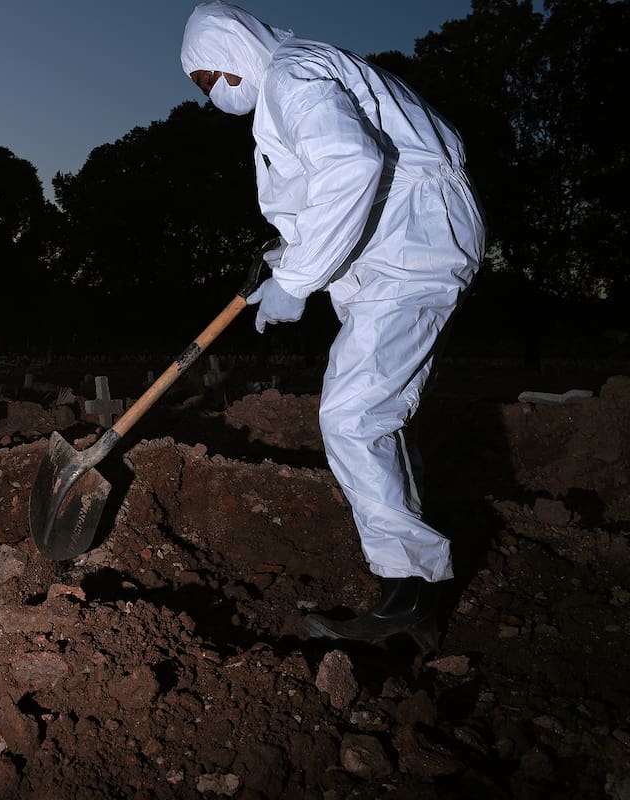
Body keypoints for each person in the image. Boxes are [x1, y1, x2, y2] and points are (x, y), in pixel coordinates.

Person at [181, 3, 485, 653]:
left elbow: (351, 166)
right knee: (377, 414)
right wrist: (287, 264)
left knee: (351, 416)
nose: (214, 97)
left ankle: (408, 592)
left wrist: (297, 281)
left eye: (213, 78)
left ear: (236, 49)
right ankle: (415, 585)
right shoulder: (298, 75)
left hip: (412, 251)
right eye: (202, 88)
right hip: (395, 253)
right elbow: (325, 189)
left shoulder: (291, 77)